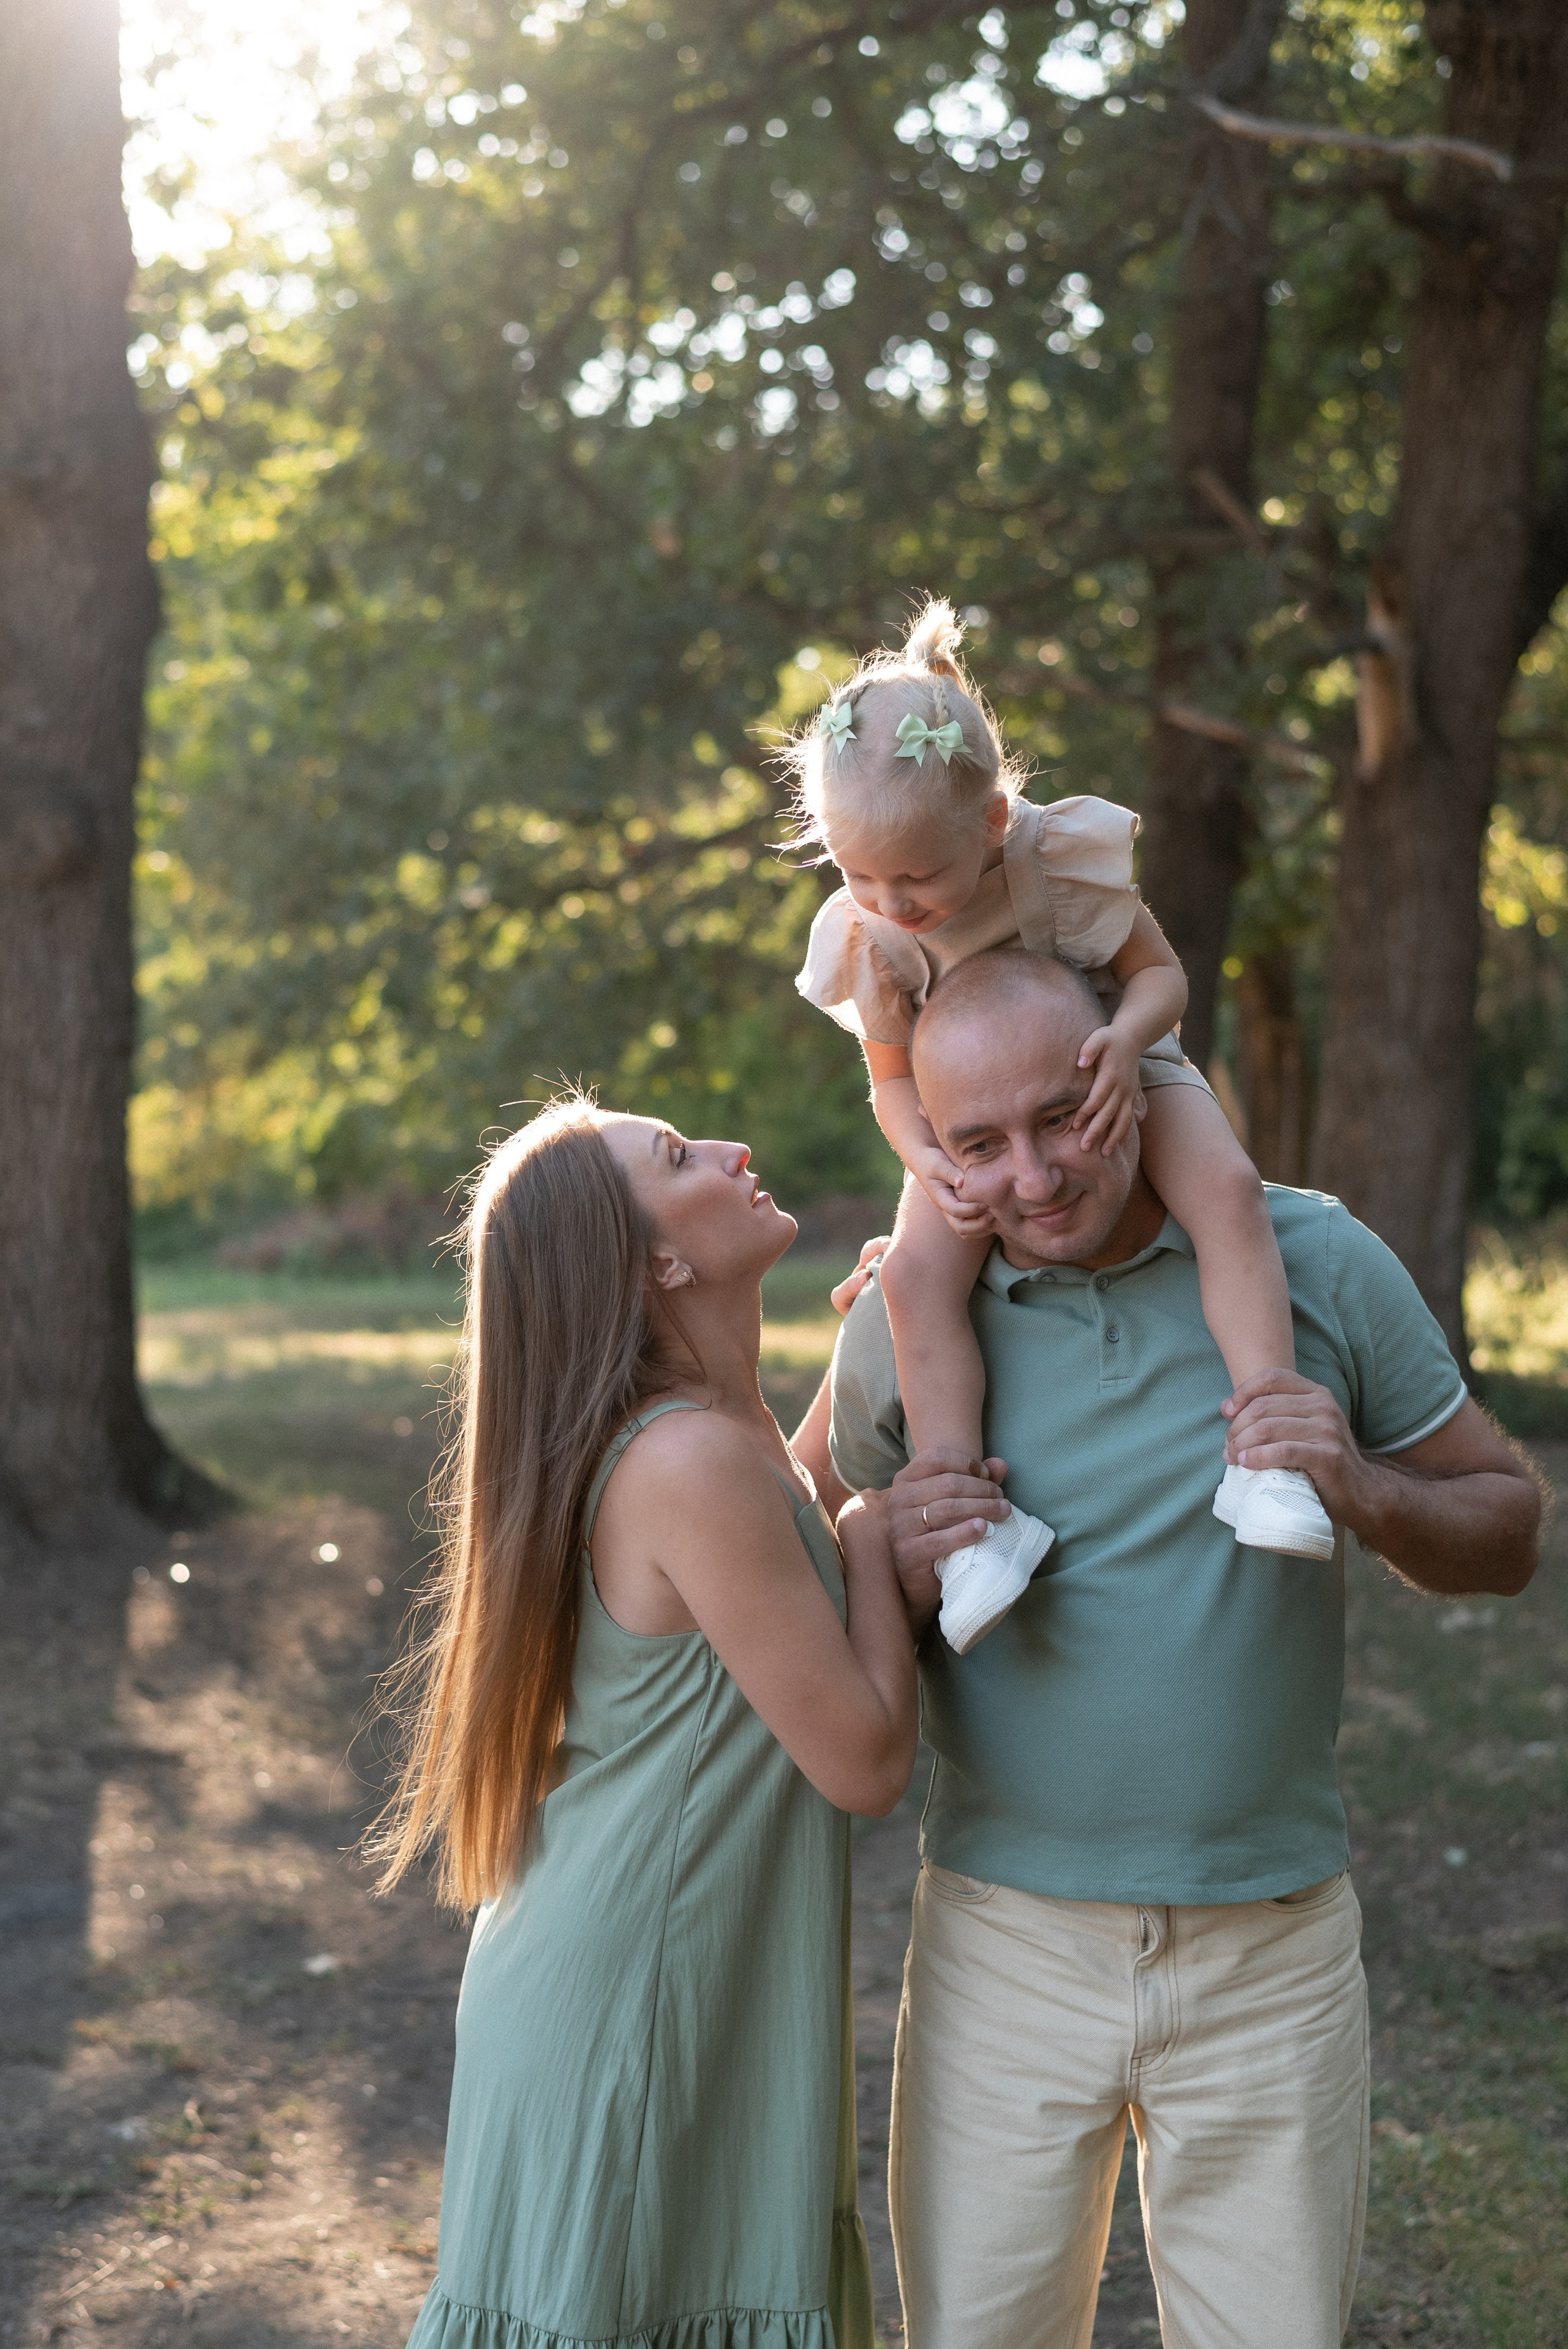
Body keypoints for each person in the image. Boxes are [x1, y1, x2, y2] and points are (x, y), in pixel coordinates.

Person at [801, 946, 1539, 2349]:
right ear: (931, 1148)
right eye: (976, 1145)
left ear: (1127, 1075)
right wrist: (880, 1556)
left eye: (1060, 1116)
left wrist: (1361, 1486)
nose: (1027, 1176)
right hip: (999, 1947)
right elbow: (818, 1584)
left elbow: (1504, 1529)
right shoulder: (911, 1313)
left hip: (1268, 1952)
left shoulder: (1307, 1256)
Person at [371, 1096, 918, 2349]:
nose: (732, 1147)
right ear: (654, 1262)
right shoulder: (688, 1463)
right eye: (677, 1159)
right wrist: (875, 1536)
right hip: (634, 2003)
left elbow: (796, 1506)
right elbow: (867, 1757)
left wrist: (894, 1298)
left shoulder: (713, 1433)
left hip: (623, 1971)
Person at [789, 599, 1334, 1656]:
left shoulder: (1056, 862)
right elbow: (892, 1083)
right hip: (972, 1132)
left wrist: (1128, 1048)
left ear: (991, 821)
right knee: (911, 1281)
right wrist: (926, 1161)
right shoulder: (872, 936)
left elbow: (1161, 979)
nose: (890, 902)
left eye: (917, 878)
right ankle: (969, 1530)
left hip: (1121, 1073)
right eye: (860, 876)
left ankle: (1270, 1451)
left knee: (1223, 1194)